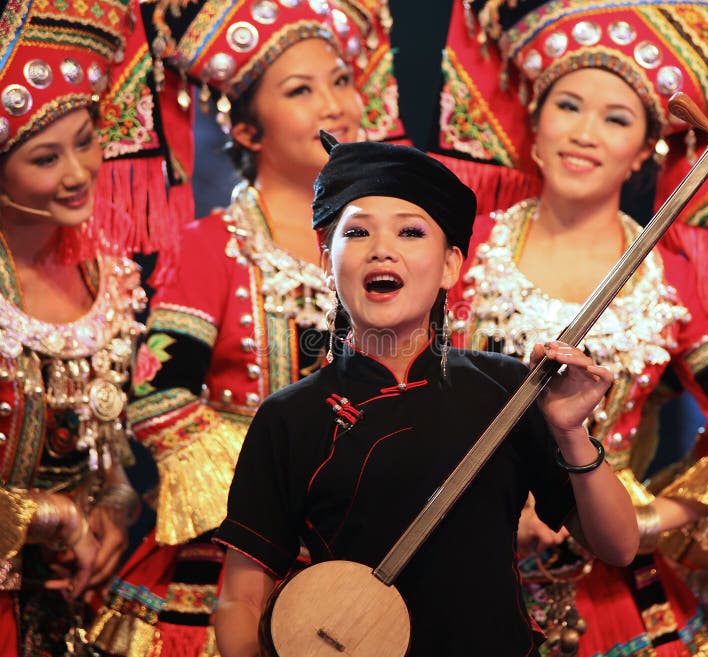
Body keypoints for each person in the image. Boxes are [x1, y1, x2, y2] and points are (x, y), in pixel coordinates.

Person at [446, 1, 708, 656]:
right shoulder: (457, 251)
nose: (585, 132)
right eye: (568, 105)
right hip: (455, 559)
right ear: (534, 121)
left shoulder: (673, 281)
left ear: (646, 150)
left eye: (616, 118)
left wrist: (648, 521)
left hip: (616, 593)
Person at [212, 132, 638, 657]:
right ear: (327, 261)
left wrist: (571, 432)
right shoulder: (289, 417)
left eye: (411, 232)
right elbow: (240, 602)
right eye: (358, 232)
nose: (382, 249)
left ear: (451, 266)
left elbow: (618, 546)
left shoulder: (509, 389)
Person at [87, 2, 405, 655]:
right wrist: (273, 482)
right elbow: (158, 393)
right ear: (249, 131)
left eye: (341, 80)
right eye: (300, 90)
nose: (335, 104)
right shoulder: (214, 247)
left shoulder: (395, 243)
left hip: (375, 545)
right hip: (238, 553)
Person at [0, 0, 176, 653]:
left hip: (77, 601)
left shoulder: (110, 274)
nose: (79, 173)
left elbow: (109, 442)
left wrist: (111, 510)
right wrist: (48, 518)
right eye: (46, 158)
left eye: (86, 140)